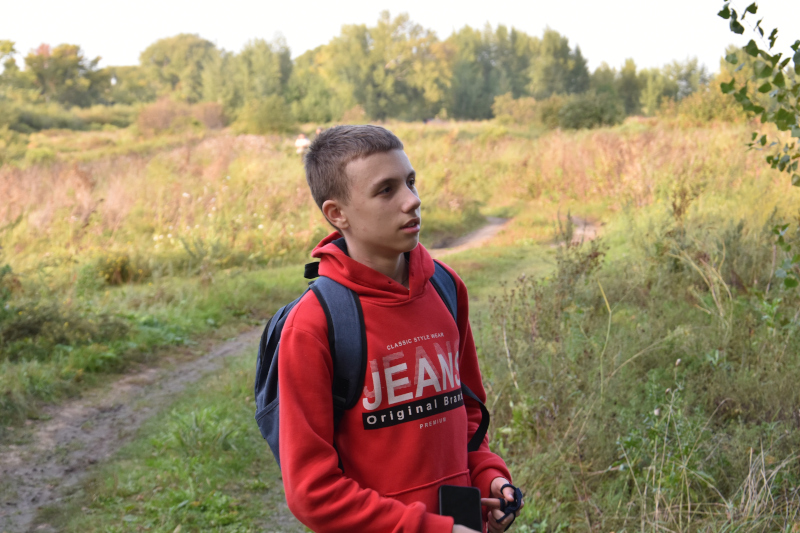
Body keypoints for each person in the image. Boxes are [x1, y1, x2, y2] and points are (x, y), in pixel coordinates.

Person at [279, 125, 523, 533]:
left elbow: (468, 415)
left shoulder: (445, 287)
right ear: (337, 214)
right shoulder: (315, 323)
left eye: (410, 182)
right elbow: (312, 491)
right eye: (386, 190)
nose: (413, 200)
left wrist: (489, 478)